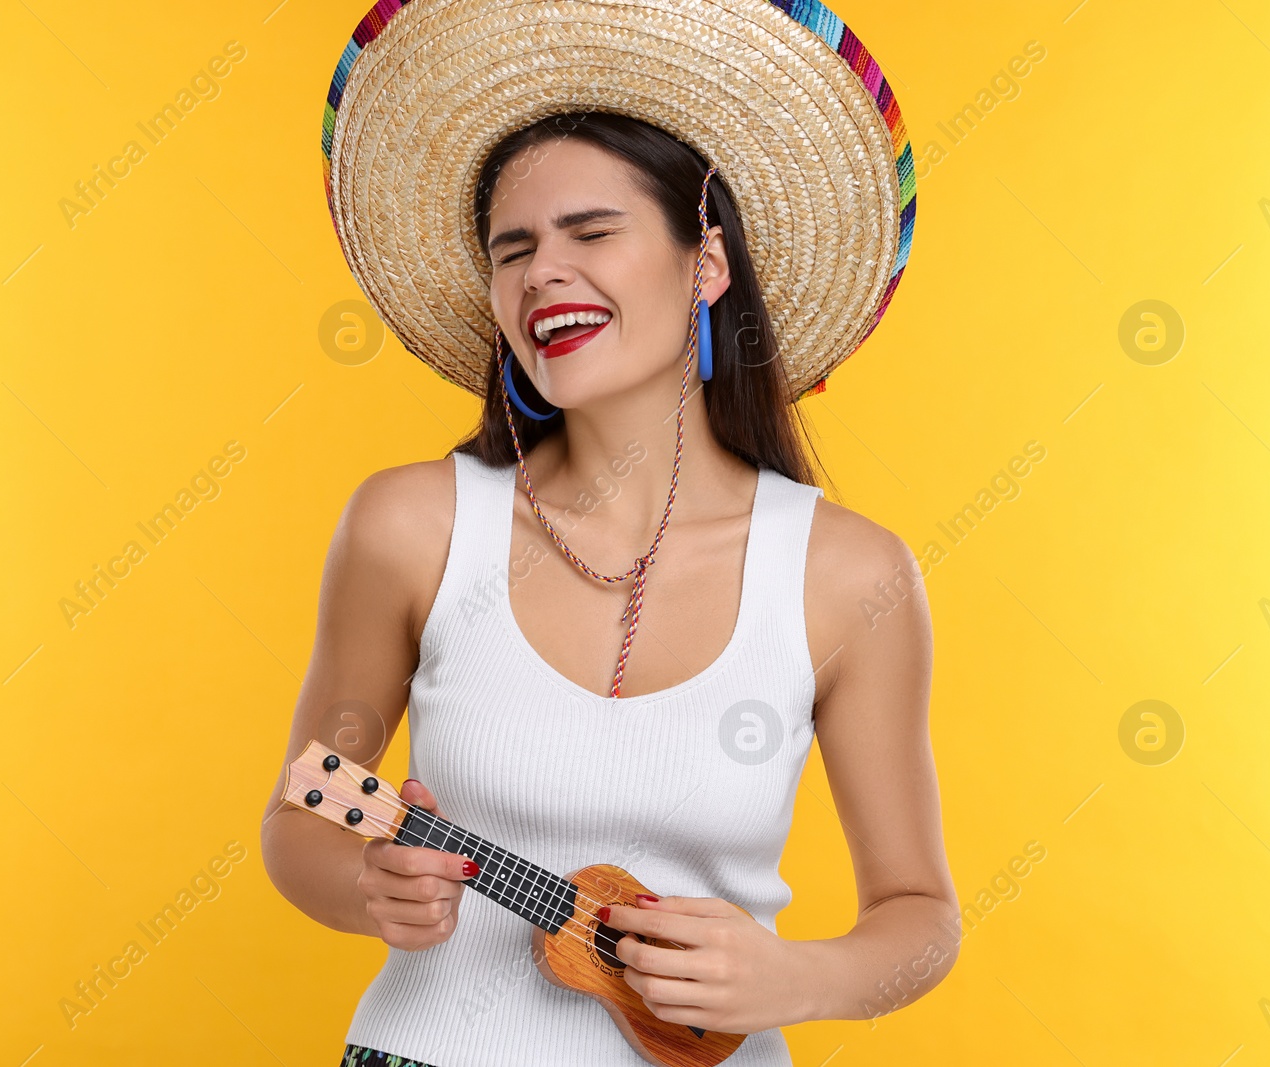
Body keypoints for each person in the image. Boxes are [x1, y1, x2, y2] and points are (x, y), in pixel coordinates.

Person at [263, 2, 956, 1065]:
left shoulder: (846, 573)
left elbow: (919, 916)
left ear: (706, 264)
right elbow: (302, 817)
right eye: (513, 250)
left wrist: (797, 976)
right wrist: (368, 888)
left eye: (591, 233)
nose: (542, 272)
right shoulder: (411, 524)